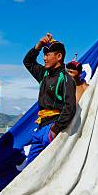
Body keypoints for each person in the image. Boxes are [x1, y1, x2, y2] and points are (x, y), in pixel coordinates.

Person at [22, 34, 76, 166]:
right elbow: (28, 62)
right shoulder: (44, 74)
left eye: (48, 55)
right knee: (30, 169)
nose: (44, 58)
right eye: (44, 55)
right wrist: (38, 46)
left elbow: (70, 107)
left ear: (59, 57)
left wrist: (55, 129)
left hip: (53, 128)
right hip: (40, 127)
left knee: (50, 168)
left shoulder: (66, 78)